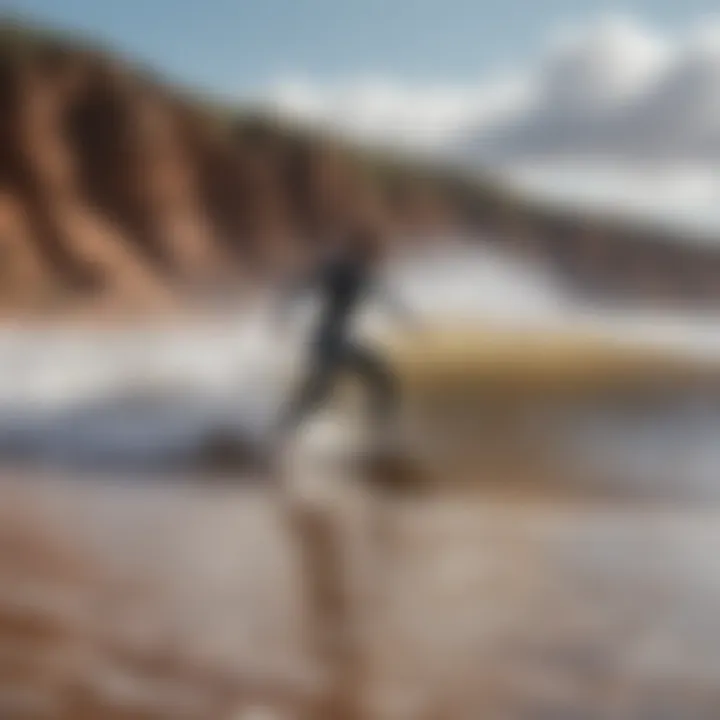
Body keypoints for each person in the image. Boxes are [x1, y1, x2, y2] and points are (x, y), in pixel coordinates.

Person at [273, 224, 413, 444]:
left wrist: (403, 316)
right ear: (365, 249)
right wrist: (403, 318)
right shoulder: (346, 269)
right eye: (375, 250)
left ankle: (376, 435)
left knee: (373, 381)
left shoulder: (352, 269)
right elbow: (306, 281)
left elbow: (304, 282)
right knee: (319, 395)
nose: (379, 256)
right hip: (330, 342)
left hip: (333, 340)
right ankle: (277, 440)